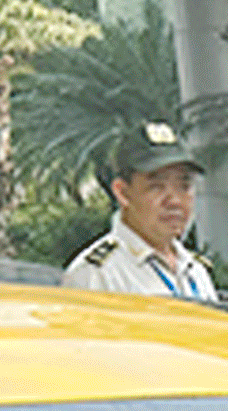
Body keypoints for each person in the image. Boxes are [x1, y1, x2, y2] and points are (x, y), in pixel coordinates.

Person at [63, 121, 216, 302]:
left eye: (184, 186)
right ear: (122, 192)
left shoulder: (195, 270)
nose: (174, 201)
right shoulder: (96, 274)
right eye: (157, 187)